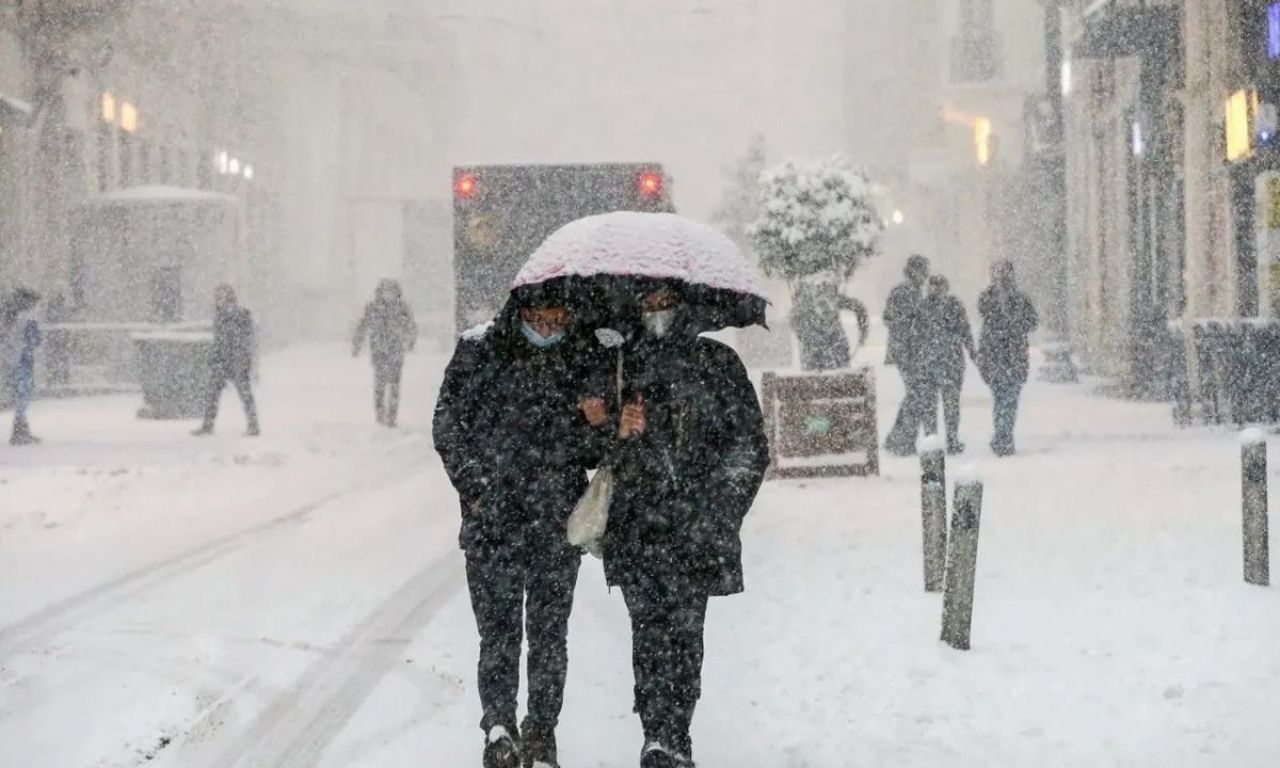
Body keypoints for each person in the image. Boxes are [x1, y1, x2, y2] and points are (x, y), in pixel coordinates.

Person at [433, 286, 608, 768]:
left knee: (550, 634)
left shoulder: (582, 354)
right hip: (493, 523)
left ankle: (541, 731)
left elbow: (594, 453)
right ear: (522, 312)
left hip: (556, 521)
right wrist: (479, 487)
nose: (549, 330)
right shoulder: (479, 350)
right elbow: (447, 424)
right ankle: (498, 726)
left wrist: (596, 423)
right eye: (541, 319)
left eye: (558, 321)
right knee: (499, 633)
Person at [602, 281, 770, 768]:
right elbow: (592, 450)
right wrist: (619, 429)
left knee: (685, 635)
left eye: (666, 302)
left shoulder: (717, 365)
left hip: (695, 530)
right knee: (648, 633)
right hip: (637, 528)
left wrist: (719, 509)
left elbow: (749, 446)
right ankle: (657, 733)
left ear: (684, 306)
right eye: (648, 303)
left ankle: (677, 731)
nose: (657, 312)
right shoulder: (619, 366)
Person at [977, 260, 1039, 456]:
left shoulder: (1019, 298)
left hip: (1012, 356)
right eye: (998, 273)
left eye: (1004, 273)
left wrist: (1015, 325)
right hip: (997, 356)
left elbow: (1032, 322)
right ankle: (1003, 437)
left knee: (1007, 399)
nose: (1001, 277)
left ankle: (1003, 436)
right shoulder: (988, 298)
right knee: (1003, 398)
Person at [193, 284, 259, 437]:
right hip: (227, 361)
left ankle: (209, 426)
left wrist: (236, 357)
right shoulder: (227, 315)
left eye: (220, 296)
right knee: (219, 394)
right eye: (217, 296)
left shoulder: (234, 315)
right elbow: (224, 340)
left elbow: (236, 340)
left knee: (228, 394)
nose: (217, 299)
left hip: (232, 361)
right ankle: (252, 425)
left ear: (229, 296)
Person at [882, 255, 932, 455]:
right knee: (917, 395)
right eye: (923, 271)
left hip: (910, 351)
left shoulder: (912, 291)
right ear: (914, 271)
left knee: (915, 395)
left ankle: (899, 438)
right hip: (908, 352)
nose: (925, 275)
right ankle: (902, 440)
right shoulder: (905, 292)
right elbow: (891, 318)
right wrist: (910, 330)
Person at [920, 275, 975, 454]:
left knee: (935, 405)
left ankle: (935, 441)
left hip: (936, 362)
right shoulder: (951, 305)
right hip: (947, 361)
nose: (936, 291)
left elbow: (914, 336)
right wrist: (972, 351)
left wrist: (972, 351)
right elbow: (965, 330)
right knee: (947, 404)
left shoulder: (924, 307)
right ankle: (947, 440)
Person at [353, 279, 417, 427]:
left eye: (392, 292)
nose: (389, 295)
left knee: (394, 384)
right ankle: (380, 413)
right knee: (380, 383)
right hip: (379, 351)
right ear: (380, 293)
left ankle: (392, 416)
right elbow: (362, 325)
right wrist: (357, 343)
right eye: (386, 291)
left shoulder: (402, 308)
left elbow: (410, 326)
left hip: (396, 351)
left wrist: (411, 340)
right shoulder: (373, 307)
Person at [789, 278, 869, 371]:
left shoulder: (804, 302)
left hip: (822, 350)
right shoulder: (831, 298)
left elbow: (858, 307)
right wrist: (863, 331)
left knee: (821, 378)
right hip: (828, 349)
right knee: (837, 377)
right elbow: (858, 307)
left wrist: (863, 331)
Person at [3, 287, 43, 446]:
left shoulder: (10, 316)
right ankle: (20, 430)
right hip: (23, 360)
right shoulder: (28, 318)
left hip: (12, 359)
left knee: (19, 394)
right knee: (23, 395)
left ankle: (20, 429)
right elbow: (35, 340)